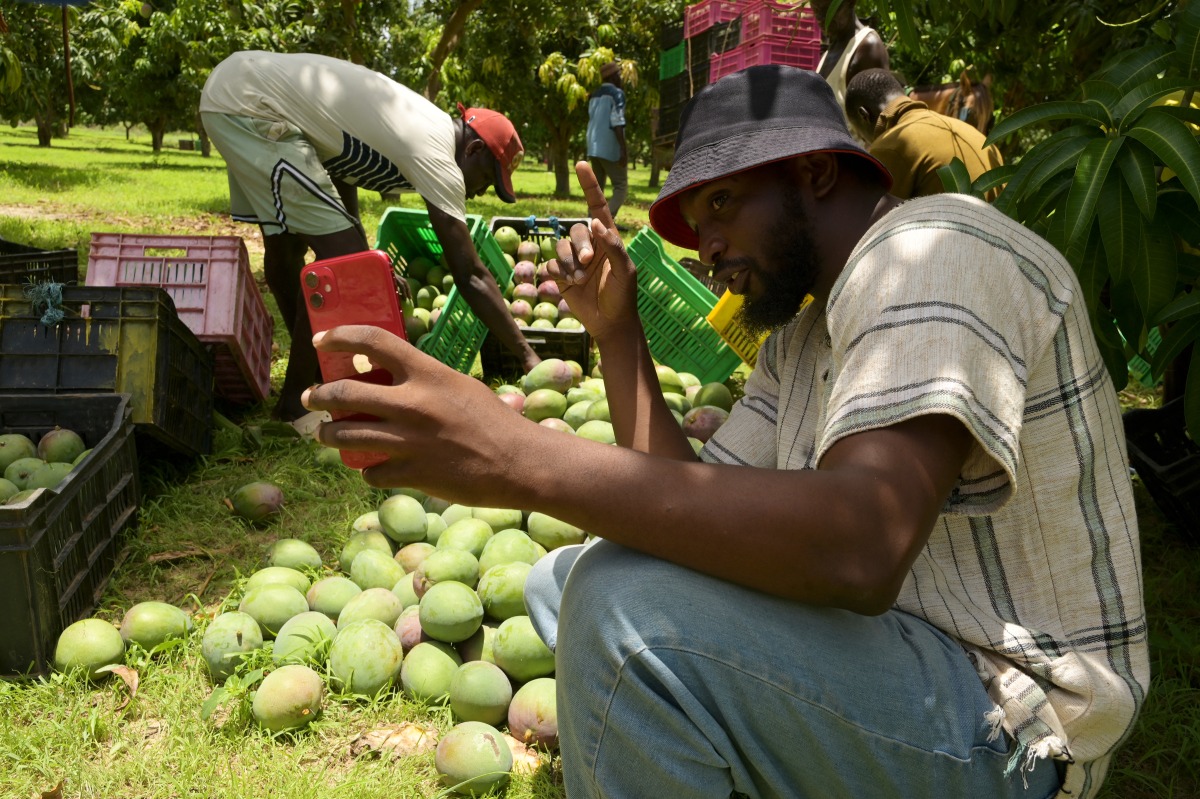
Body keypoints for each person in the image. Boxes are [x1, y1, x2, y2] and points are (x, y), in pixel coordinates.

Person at [301, 66, 1148, 799]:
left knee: (620, 614)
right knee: (571, 576)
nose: (707, 252)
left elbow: (862, 543)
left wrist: (517, 456)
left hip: (1004, 725)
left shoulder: (935, 250)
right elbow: (691, 502)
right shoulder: (804, 335)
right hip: (899, 655)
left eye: (720, 205)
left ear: (814, 171)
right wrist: (617, 332)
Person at [199, 50, 540, 421]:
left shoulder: (419, 122)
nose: (478, 192)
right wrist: (526, 355)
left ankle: (311, 376)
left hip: (238, 90)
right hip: (254, 106)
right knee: (344, 268)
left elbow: (339, 177)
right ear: (474, 149)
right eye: (487, 179)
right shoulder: (438, 156)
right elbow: (470, 274)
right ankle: (295, 405)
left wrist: (366, 257)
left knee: (290, 252)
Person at [846, 68, 1005, 199]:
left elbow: (864, 225)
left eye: (860, 135)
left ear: (864, 115)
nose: (867, 142)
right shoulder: (982, 140)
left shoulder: (889, 145)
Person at [812, 0, 890, 138]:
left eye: (827, 9)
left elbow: (880, 125)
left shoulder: (867, 48)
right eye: (816, 11)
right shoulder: (829, 53)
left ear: (850, 2)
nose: (822, 18)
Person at [586, 61, 629, 225]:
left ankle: (592, 221)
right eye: (618, 74)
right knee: (621, 185)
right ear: (612, 76)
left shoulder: (594, 94)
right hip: (609, 146)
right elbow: (617, 121)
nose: (620, 78)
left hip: (593, 145)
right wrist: (623, 150)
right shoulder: (616, 93)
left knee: (596, 188)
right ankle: (606, 221)